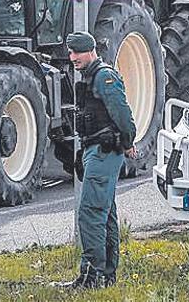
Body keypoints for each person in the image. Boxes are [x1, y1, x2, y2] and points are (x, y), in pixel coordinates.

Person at [66, 32, 136, 289]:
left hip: (105, 151)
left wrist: (128, 143)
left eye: (78, 52)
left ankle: (91, 277)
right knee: (104, 214)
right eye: (70, 53)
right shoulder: (90, 77)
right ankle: (105, 275)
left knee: (91, 212)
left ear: (91, 51)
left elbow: (123, 115)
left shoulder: (104, 76)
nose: (73, 58)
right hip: (95, 149)